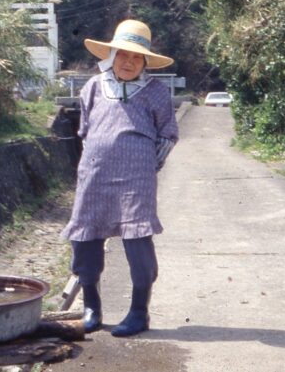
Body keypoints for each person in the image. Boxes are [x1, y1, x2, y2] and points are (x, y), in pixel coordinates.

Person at [60, 19, 179, 337]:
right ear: (111, 55)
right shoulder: (93, 87)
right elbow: (84, 129)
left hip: (136, 180)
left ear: (145, 62)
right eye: (123, 54)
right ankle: (91, 307)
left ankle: (139, 312)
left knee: (138, 242)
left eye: (136, 57)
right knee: (86, 240)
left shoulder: (155, 92)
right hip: (95, 176)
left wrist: (145, 164)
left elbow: (167, 133)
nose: (128, 62)